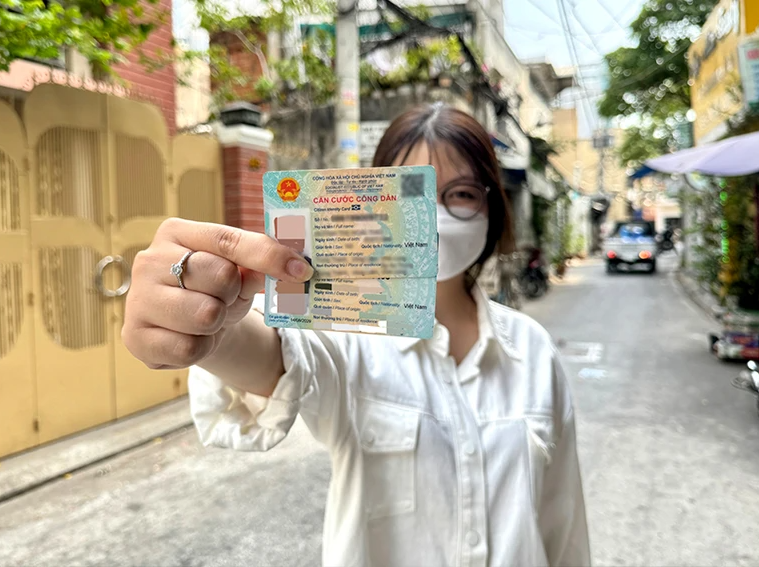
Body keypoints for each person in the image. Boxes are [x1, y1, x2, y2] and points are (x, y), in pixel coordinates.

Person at [122, 103, 590, 567]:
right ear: (373, 201)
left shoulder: (532, 348)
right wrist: (212, 323)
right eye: (413, 192)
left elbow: (562, 520)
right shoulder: (346, 331)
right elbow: (278, 357)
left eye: (462, 193)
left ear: (492, 207)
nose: (435, 217)